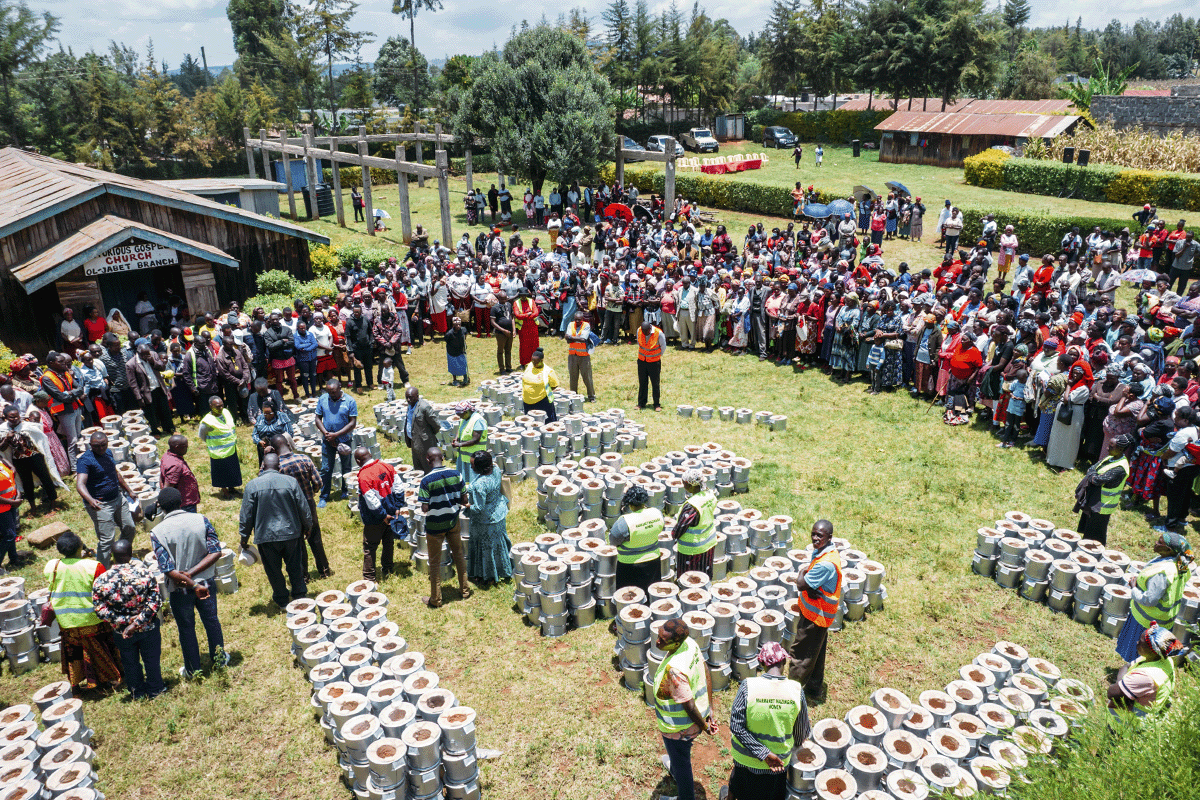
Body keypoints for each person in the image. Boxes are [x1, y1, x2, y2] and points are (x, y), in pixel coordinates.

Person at [150, 488, 227, 677]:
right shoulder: (201, 520)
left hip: (179, 589)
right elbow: (216, 551)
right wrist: (193, 574)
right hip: (205, 583)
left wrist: (187, 578)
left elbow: (167, 569)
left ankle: (193, 669)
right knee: (211, 621)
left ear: (161, 507)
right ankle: (219, 659)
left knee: (186, 628)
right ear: (182, 501)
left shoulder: (157, 532)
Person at [728, 642, 810, 800]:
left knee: (740, 790)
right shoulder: (796, 690)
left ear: (761, 663)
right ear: (784, 662)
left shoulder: (748, 686)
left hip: (745, 760)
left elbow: (736, 727)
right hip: (778, 764)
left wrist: (763, 753)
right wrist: (769, 754)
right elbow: (801, 733)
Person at [45, 529, 123, 692]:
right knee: (99, 648)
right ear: (80, 547)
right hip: (91, 619)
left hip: (66, 621)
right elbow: (104, 591)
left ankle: (76, 682)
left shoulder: (52, 565)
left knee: (73, 652)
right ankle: (105, 678)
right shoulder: (94, 566)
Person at [653, 617, 718, 800]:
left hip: (679, 729)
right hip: (700, 713)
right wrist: (710, 707)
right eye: (658, 636)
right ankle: (674, 765)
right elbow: (705, 668)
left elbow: (688, 705)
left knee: (683, 765)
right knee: (678, 756)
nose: (657, 642)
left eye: (663, 641)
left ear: (676, 642)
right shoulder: (689, 643)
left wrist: (705, 728)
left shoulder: (675, 670)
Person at [90, 537, 164, 698]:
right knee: (151, 660)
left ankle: (136, 691)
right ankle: (155, 688)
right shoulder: (145, 574)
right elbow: (155, 602)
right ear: (131, 555)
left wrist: (124, 622)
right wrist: (137, 622)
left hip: (121, 632)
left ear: (112, 555)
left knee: (129, 662)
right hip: (148, 627)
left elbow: (100, 610)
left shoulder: (101, 580)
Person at [239, 453, 313, 609]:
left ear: (263, 466)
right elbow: (303, 506)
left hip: (266, 537)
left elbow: (246, 514)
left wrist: (244, 537)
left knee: (273, 570)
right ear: (279, 467)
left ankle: (282, 600)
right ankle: (300, 595)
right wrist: (308, 526)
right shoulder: (291, 482)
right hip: (291, 533)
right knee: (295, 566)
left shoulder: (252, 485)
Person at [1114, 532, 1192, 665]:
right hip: (1164, 619)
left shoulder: (1162, 573)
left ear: (1169, 550)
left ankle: (1129, 676)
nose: (1156, 543)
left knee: (1139, 653)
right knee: (1152, 655)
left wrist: (1134, 588)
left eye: (1160, 542)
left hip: (1147, 620)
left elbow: (1149, 600)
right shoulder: (1181, 563)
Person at [788, 520, 842, 701]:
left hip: (815, 616)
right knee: (815, 653)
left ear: (829, 537)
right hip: (818, 614)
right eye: (813, 534)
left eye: (820, 535)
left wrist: (802, 574)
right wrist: (807, 581)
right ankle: (814, 689)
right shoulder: (825, 552)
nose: (815, 538)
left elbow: (801, 584)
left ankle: (790, 695)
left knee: (801, 655)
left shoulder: (826, 563)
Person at [417, 446, 471, 608]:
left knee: (434, 563)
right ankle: (465, 590)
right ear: (443, 458)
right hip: (453, 522)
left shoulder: (426, 481)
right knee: (459, 555)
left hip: (435, 527)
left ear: (428, 459)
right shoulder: (457, 474)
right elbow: (464, 499)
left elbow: (425, 508)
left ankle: (436, 599)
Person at [272, 434, 331, 578]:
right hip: (308, 502)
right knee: (315, 536)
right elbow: (318, 482)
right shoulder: (304, 458)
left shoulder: (275, 466)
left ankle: (304, 575)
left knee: (298, 541)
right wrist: (313, 492)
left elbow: (266, 483)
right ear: (288, 443)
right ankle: (324, 570)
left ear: (274, 449)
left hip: (289, 508)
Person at [75, 431, 137, 566]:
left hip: (118, 499)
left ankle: (120, 556)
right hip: (101, 504)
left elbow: (115, 473)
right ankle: (102, 570)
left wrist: (129, 490)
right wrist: (91, 500)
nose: (101, 448)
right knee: (107, 539)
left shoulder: (108, 453)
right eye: (97, 446)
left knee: (129, 527)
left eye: (103, 445)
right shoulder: (85, 460)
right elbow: (80, 484)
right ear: (90, 445)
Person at [1108, 623, 1181, 717]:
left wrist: (1119, 687)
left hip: (1129, 721)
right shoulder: (1162, 659)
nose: (1137, 642)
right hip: (1136, 704)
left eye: (1141, 642)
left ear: (1153, 650)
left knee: (1114, 730)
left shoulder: (1147, 677)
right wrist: (1121, 685)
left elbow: (1112, 692)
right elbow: (1125, 666)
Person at [1073, 433, 1133, 545]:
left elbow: (1097, 480)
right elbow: (1092, 469)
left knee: (1096, 534)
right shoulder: (1111, 458)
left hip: (1103, 504)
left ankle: (1093, 553)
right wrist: (1093, 475)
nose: (1107, 448)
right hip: (1095, 499)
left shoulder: (1120, 467)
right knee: (1088, 528)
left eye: (1111, 447)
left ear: (1120, 449)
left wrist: (1092, 476)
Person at [464, 450, 512, 588]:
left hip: (486, 521)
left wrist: (466, 505)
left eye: (473, 465)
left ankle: (488, 576)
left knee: (486, 549)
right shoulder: (496, 469)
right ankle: (503, 570)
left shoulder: (480, 485)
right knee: (498, 545)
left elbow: (478, 508)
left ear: (481, 467)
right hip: (499, 513)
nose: (471, 467)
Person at [0, 403, 59, 513]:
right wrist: (7, 439)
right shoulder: (2, 429)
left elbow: (40, 439)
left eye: (17, 416)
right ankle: (33, 508)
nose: (16, 418)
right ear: (5, 418)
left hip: (35, 457)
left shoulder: (28, 426)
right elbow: (2, 449)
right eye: (12, 417)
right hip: (19, 461)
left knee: (46, 478)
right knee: (27, 483)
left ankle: (53, 505)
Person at [609, 484, 664, 593]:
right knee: (650, 591)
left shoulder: (624, 522)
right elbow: (660, 529)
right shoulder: (657, 513)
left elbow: (613, 540)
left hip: (630, 565)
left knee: (629, 595)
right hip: (653, 561)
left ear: (630, 505)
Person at [315, 378, 356, 507]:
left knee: (346, 466)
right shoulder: (323, 399)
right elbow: (317, 418)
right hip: (328, 440)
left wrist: (336, 435)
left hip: (344, 440)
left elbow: (352, 423)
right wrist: (327, 434)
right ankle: (324, 496)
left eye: (333, 392)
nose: (331, 395)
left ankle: (346, 490)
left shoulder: (349, 401)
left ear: (340, 387)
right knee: (326, 468)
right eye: (328, 392)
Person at [41, 351, 85, 471]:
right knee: (72, 440)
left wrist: (70, 393)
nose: (64, 364)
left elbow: (80, 388)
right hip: (64, 411)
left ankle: (82, 462)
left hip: (75, 407)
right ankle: (76, 468)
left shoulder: (64, 373)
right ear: (51, 363)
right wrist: (72, 393)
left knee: (79, 437)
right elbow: (62, 397)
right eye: (60, 362)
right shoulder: (47, 378)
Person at [672, 469, 717, 577]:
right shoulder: (709, 494)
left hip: (692, 549)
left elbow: (679, 529)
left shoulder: (692, 505)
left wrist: (673, 534)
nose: (683, 486)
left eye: (684, 483)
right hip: (709, 542)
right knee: (704, 574)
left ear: (689, 485)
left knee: (690, 578)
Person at [198, 396, 241, 500]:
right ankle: (225, 492)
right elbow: (201, 435)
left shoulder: (226, 412)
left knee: (232, 470)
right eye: (217, 406)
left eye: (222, 405)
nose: (221, 408)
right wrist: (213, 443)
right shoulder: (207, 421)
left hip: (231, 449)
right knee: (221, 473)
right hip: (218, 451)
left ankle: (232, 487)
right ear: (211, 406)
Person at [127, 343, 175, 436]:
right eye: (144, 355)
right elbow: (133, 383)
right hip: (146, 392)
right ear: (138, 353)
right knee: (151, 413)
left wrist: (153, 361)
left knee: (165, 410)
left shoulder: (153, 355)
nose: (147, 356)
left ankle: (169, 428)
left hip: (159, 388)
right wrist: (139, 398)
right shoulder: (131, 364)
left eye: (148, 354)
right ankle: (155, 431)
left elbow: (162, 367)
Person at [159, 434, 201, 513]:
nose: (187, 448)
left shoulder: (166, 456)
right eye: (185, 446)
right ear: (177, 447)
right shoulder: (176, 465)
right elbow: (168, 489)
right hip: (185, 504)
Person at [450, 400, 488, 484]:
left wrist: (459, 444)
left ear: (467, 411)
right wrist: (456, 438)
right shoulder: (465, 417)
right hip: (464, 455)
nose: (460, 417)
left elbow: (476, 439)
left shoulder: (478, 420)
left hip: (475, 456)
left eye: (461, 415)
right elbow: (460, 429)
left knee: (476, 480)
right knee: (464, 479)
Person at [565, 310, 597, 402]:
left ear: (582, 319)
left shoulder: (586, 325)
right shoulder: (571, 324)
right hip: (572, 355)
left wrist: (571, 338)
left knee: (587, 377)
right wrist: (573, 338)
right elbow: (567, 338)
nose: (577, 322)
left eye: (579, 320)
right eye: (576, 320)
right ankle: (573, 395)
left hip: (584, 356)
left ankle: (591, 396)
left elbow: (583, 339)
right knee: (573, 377)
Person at [0, 456, 25, 569]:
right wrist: (13, 502)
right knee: (9, 535)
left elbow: (11, 476)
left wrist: (17, 493)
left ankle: (14, 558)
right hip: (2, 509)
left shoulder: (2, 462)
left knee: (12, 531)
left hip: (11, 503)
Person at [521, 348, 559, 421]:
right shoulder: (529, 366)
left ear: (541, 361)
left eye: (536, 362)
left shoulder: (548, 371)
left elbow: (554, 385)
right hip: (527, 402)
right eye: (532, 361)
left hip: (542, 403)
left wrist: (540, 392)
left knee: (546, 424)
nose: (534, 363)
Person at [251, 400, 293, 464]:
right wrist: (259, 441)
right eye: (265, 413)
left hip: (279, 448)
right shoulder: (260, 418)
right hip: (264, 449)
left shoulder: (282, 416)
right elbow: (254, 434)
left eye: (270, 413)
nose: (267, 415)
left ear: (274, 411)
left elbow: (289, 433)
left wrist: (280, 442)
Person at [637, 321, 665, 411]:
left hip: (654, 362)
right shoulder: (639, 330)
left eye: (646, 332)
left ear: (650, 328)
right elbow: (639, 343)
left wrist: (655, 355)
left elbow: (663, 347)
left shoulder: (659, 333)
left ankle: (656, 404)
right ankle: (641, 403)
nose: (645, 334)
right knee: (642, 383)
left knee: (655, 384)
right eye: (643, 332)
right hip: (642, 361)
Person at [445, 315, 469, 387]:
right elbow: (446, 340)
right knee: (453, 365)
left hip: (461, 350)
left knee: (463, 363)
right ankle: (455, 380)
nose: (458, 326)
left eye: (459, 324)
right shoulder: (449, 333)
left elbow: (465, 336)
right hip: (452, 351)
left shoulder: (463, 329)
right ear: (453, 325)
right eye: (456, 325)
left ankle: (465, 378)